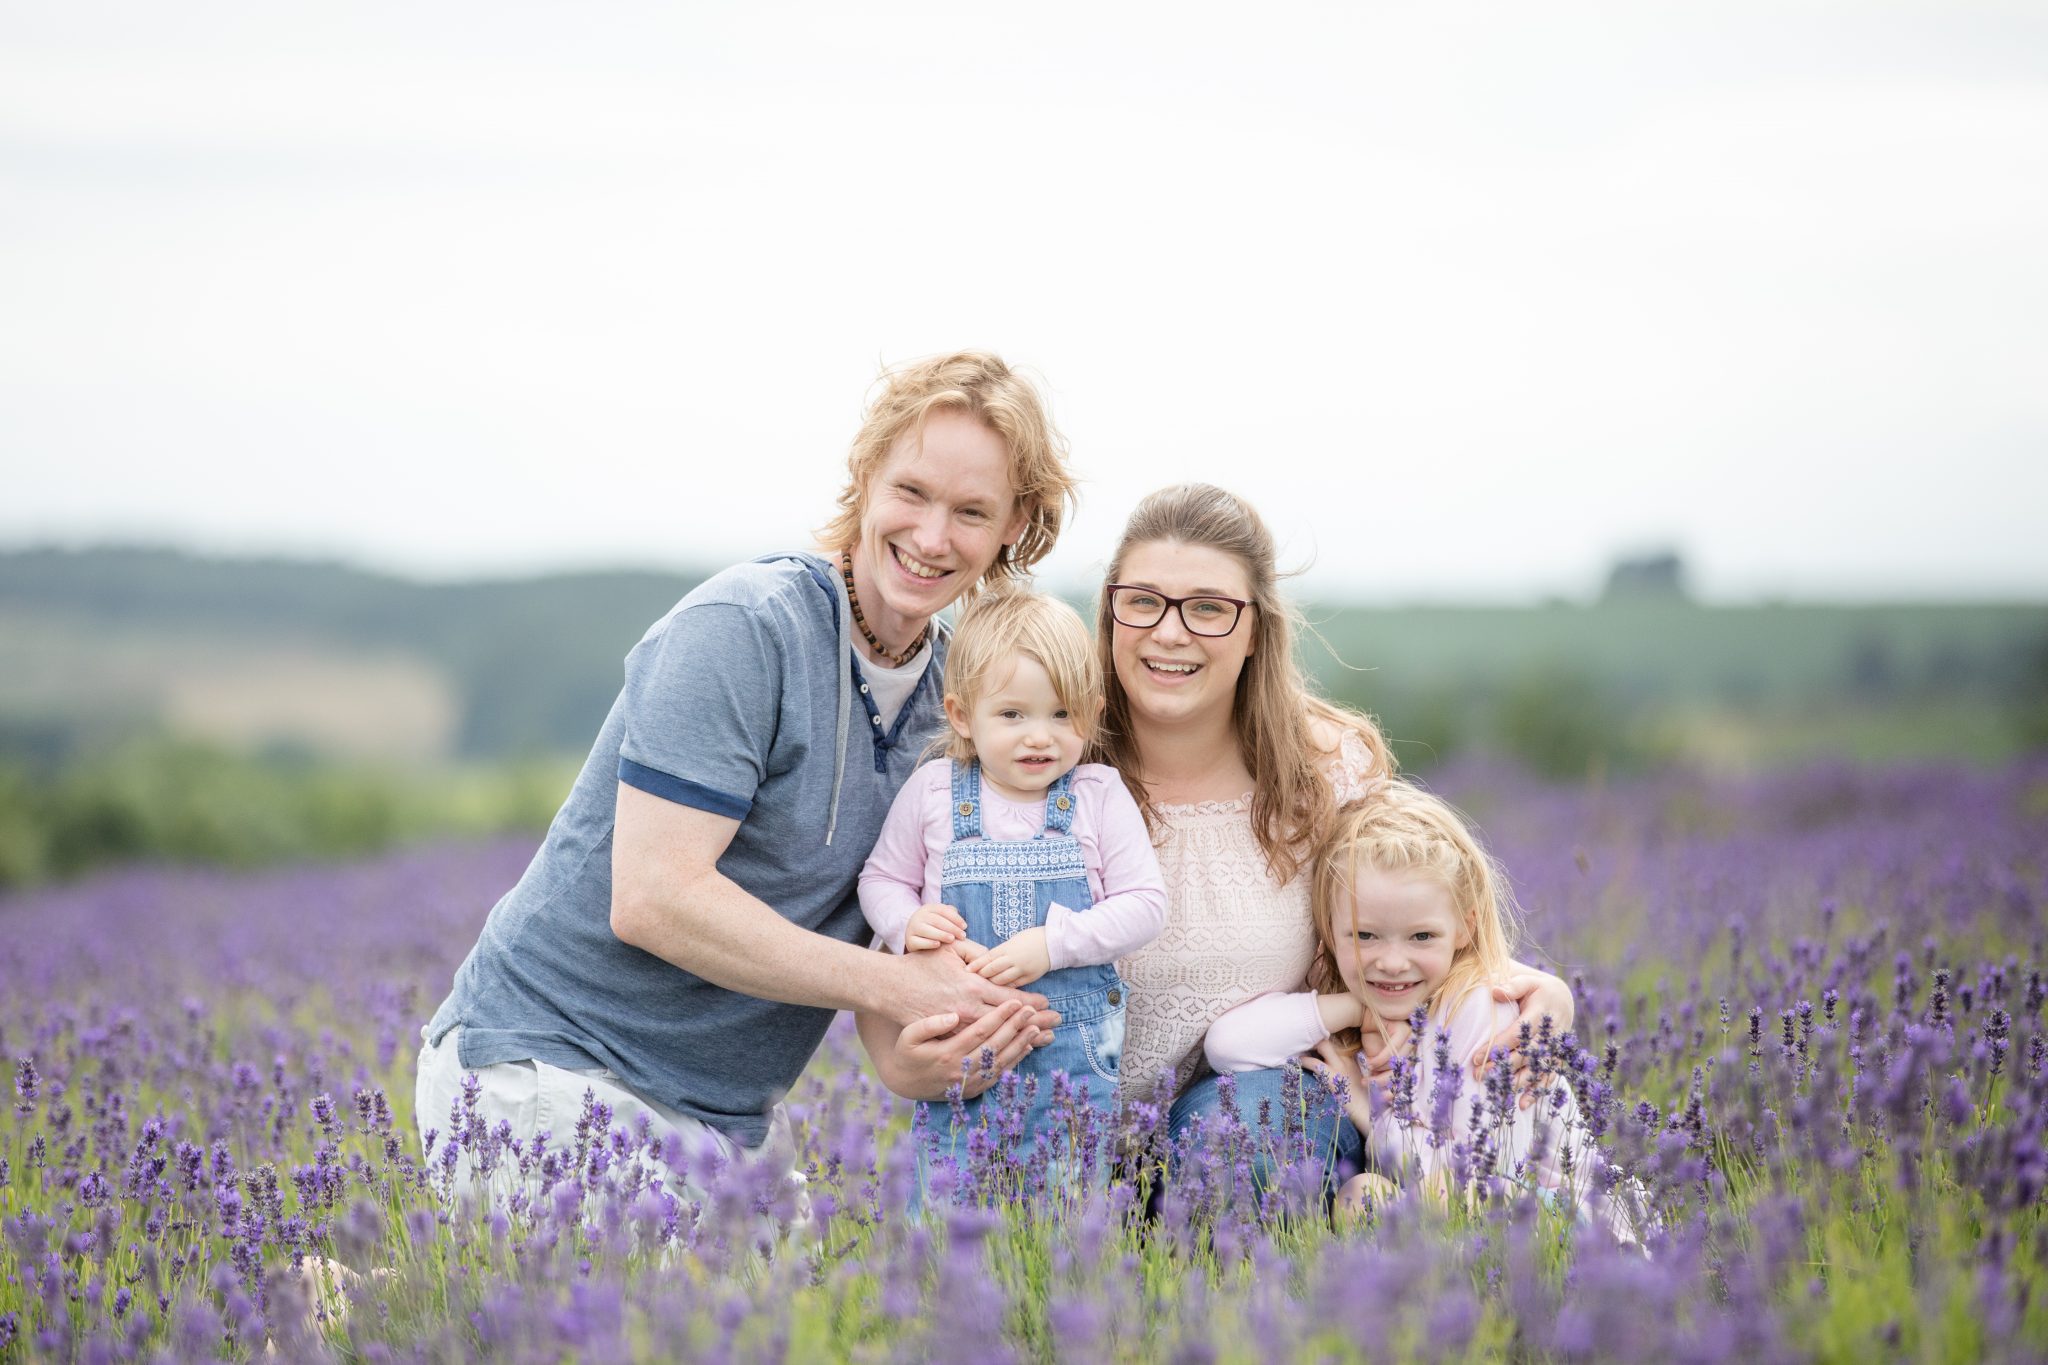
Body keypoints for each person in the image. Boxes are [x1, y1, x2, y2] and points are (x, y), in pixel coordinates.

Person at [415, 352, 1076, 1213]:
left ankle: (337, 1306)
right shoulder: (744, 630)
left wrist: (922, 1051)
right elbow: (652, 897)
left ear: (1012, 528)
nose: (931, 535)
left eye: (971, 511)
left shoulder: (961, 704)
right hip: (549, 1066)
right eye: (910, 492)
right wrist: (895, 988)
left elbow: (893, 957)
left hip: (724, 1125)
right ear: (866, 476)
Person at [864, 482, 1575, 1195]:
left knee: (1245, 1138)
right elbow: (895, 938)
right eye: (1143, 601)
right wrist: (901, 1065)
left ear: (1255, 631)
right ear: (1110, 612)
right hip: (1051, 1121)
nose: (1170, 632)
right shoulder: (1037, 756)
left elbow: (1416, 905)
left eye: (1208, 608)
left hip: (1254, 1118)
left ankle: (1237, 1269)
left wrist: (1525, 994)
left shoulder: (1323, 768)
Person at [858, 587, 1166, 1191]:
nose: (1040, 737)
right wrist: (906, 925)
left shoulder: (1096, 795)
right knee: (954, 1202)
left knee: (1065, 1204)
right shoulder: (935, 792)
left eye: (1062, 714)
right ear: (961, 715)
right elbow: (882, 879)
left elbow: (1145, 905)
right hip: (962, 1045)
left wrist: (1052, 945)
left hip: (1070, 1054)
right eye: (1013, 715)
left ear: (1093, 710)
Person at [1204, 781, 1597, 1216]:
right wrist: (1354, 1008)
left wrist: (1371, 1117)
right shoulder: (1359, 1004)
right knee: (1363, 1196)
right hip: (1452, 1218)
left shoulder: (1484, 1016)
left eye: (1422, 936)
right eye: (1365, 935)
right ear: (1330, 931)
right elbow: (1227, 1046)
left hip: (1552, 1217)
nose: (1392, 963)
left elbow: (1481, 1181)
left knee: (1380, 1195)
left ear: (1464, 928)